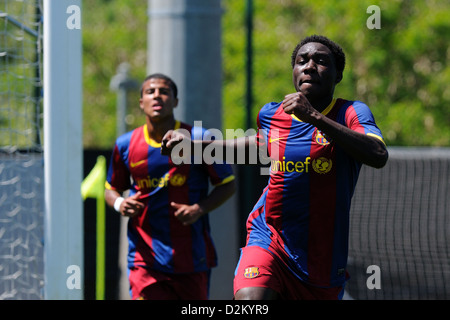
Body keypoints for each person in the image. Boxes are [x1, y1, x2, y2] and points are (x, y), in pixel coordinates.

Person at [162, 35, 388, 300]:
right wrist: (195, 146)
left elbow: (378, 154)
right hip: (269, 236)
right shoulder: (272, 114)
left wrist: (314, 117)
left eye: (321, 61)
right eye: (302, 61)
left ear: (338, 75)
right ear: (293, 71)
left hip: (321, 257)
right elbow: (257, 145)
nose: (309, 66)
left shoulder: (352, 112)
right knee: (251, 298)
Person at [105, 73, 236, 300]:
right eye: (150, 92)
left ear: (175, 101)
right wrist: (120, 203)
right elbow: (111, 188)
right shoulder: (126, 144)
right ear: (141, 102)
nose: (157, 96)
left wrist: (198, 209)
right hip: (144, 258)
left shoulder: (197, 139)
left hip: (191, 257)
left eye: (164, 92)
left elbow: (227, 184)